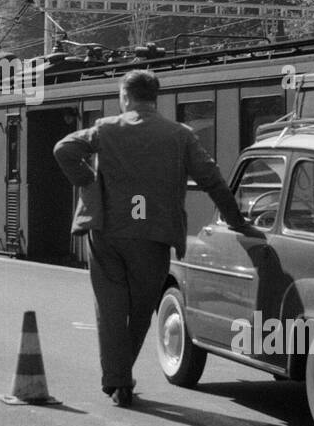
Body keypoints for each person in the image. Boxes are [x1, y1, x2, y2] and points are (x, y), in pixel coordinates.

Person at [54, 69, 259, 406]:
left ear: (125, 96)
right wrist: (236, 221)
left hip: (107, 233)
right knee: (140, 309)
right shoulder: (180, 135)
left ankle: (117, 379)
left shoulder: (106, 128)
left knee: (110, 309)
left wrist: (89, 181)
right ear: (155, 98)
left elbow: (63, 149)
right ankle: (120, 377)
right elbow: (212, 179)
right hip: (153, 235)